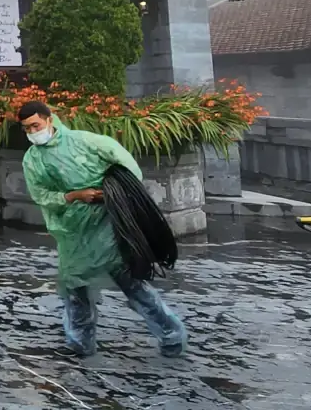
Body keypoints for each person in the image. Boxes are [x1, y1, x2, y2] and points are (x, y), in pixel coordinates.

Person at [19, 100, 186, 357]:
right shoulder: (32, 160)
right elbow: (41, 195)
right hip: (74, 229)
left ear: (49, 119)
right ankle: (80, 343)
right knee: (74, 286)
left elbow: (127, 167)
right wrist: (74, 195)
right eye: (27, 129)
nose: (32, 132)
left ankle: (172, 336)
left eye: (35, 125)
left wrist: (112, 194)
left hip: (109, 223)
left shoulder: (86, 141)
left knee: (131, 282)